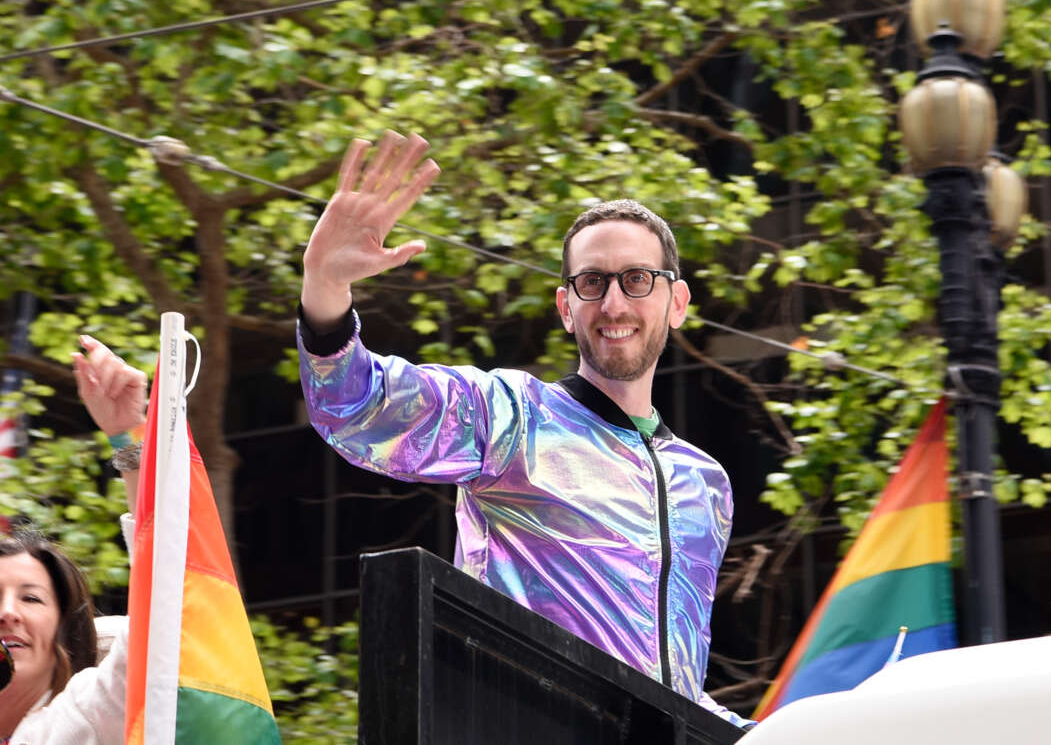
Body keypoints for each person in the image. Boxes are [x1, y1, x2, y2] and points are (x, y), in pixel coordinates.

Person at [297, 130, 753, 729]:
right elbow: (359, 407)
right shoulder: (510, 414)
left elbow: (676, 680)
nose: (614, 304)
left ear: (677, 302)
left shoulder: (706, 484)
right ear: (567, 307)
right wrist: (325, 289)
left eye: (637, 280)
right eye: (593, 283)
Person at [0, 336, 146, 744]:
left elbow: (165, 602)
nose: (7, 613)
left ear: (63, 635)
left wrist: (127, 436)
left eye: (31, 598)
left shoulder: (88, 714)